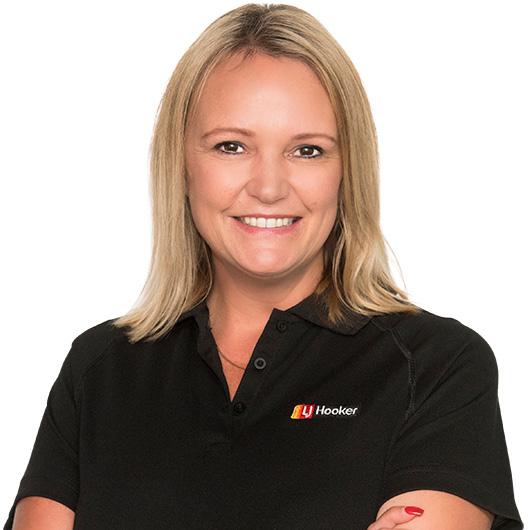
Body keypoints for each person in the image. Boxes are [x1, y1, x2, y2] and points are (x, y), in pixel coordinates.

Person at [4, 3, 524, 530]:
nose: (269, 187)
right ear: (180, 164)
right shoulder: (98, 371)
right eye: (231, 146)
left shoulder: (436, 368)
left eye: (308, 150)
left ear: (349, 169)